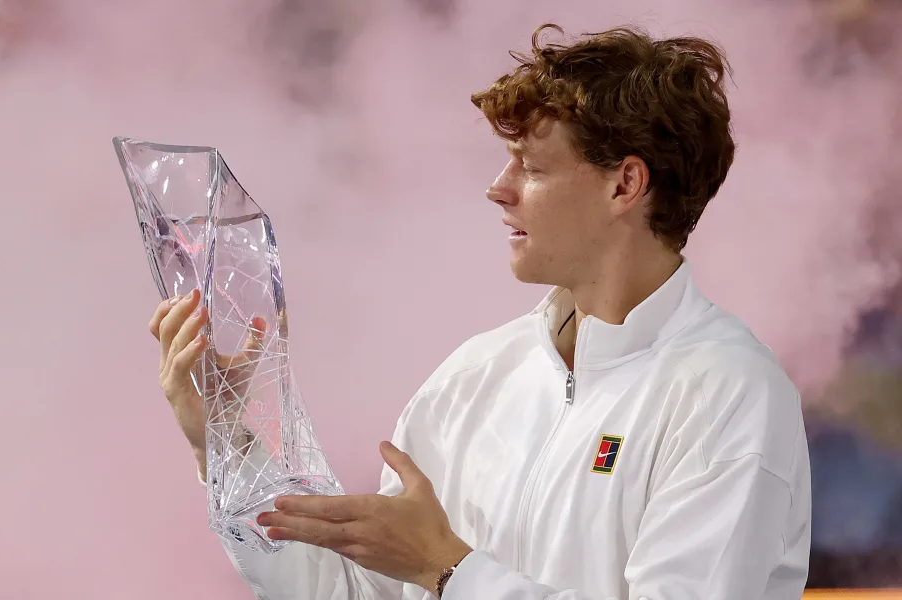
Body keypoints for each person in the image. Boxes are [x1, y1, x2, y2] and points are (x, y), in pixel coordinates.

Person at [148, 23, 811, 600]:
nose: (498, 189)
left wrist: (447, 569)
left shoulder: (729, 395)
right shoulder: (474, 376)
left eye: (531, 166)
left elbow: (435, 569)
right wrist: (229, 446)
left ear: (626, 183)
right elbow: (356, 594)